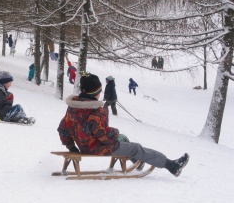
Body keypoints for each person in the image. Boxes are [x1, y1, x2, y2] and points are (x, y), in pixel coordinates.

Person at [57, 73, 190, 177]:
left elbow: (62, 129)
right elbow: (104, 136)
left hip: (84, 145)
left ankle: (138, 163)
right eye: (100, 91)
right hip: (97, 148)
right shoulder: (96, 111)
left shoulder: (73, 108)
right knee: (136, 147)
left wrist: (71, 146)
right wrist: (115, 132)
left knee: (124, 138)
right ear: (96, 93)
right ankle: (172, 166)